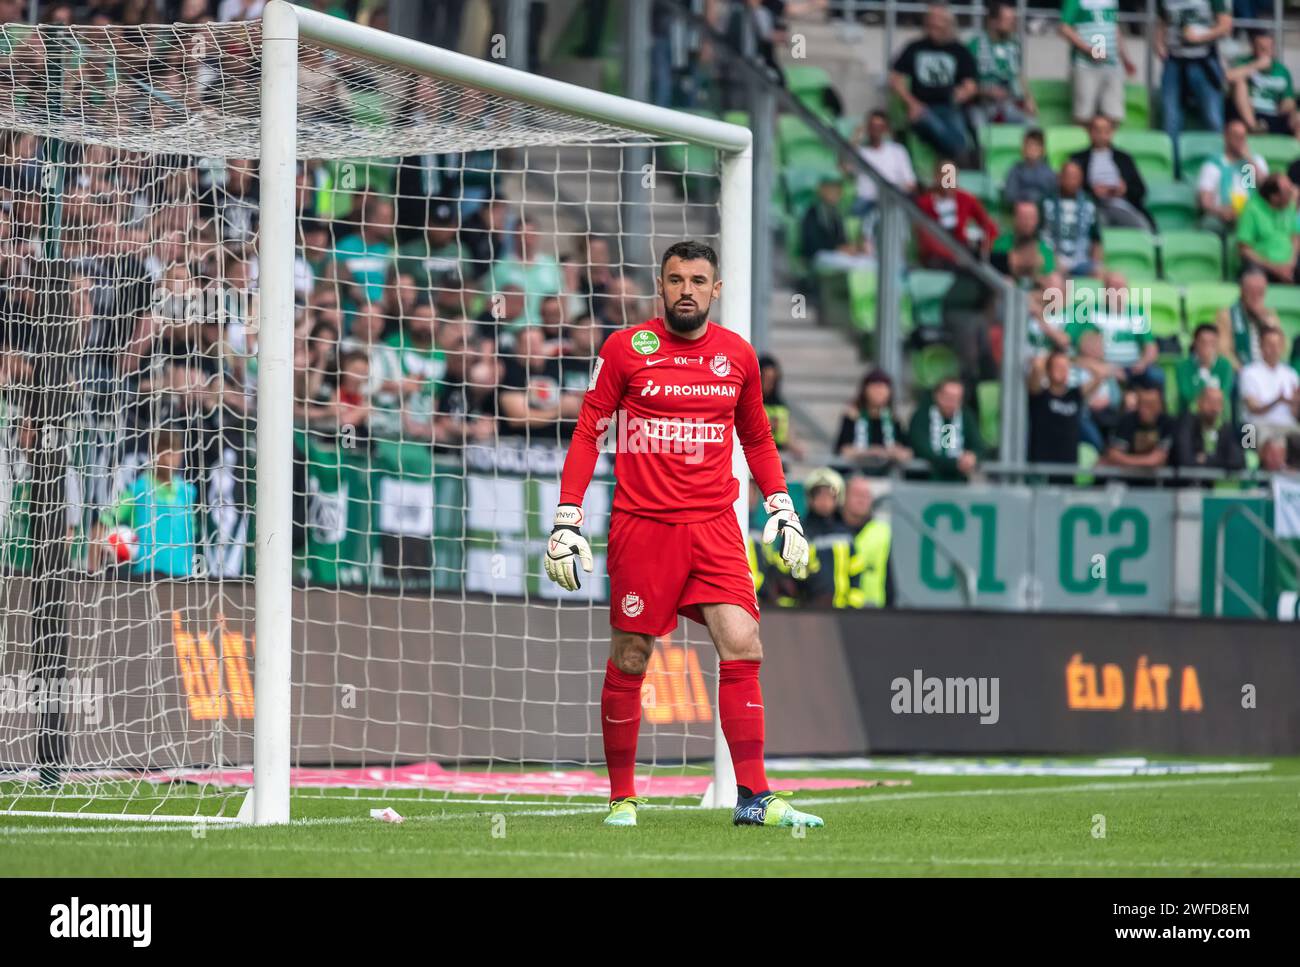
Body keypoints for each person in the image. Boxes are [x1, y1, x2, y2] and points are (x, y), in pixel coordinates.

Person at [542, 240, 820, 830]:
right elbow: (588, 431)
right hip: (643, 528)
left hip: (716, 526)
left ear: (715, 290)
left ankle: (753, 797)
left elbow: (759, 439)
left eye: (698, 280)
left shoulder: (738, 356)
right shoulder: (625, 349)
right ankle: (622, 798)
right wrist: (568, 516)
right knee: (632, 656)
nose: (686, 289)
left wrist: (782, 508)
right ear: (660, 286)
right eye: (676, 279)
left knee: (743, 643)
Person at [94, 429, 198, 578]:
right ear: (153, 455)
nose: (169, 459)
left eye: (174, 452)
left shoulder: (188, 492)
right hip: (147, 577)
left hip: (183, 576)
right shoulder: (138, 489)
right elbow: (104, 521)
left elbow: (194, 538)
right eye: (164, 452)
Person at [889, 3, 978, 168]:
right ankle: (956, 161)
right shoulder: (914, 48)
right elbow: (895, 78)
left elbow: (971, 85)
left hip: (948, 107)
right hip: (921, 108)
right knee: (938, 128)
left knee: (948, 135)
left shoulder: (959, 51)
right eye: (930, 20)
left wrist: (963, 93)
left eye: (938, 21)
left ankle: (945, 181)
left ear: (949, 24)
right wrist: (911, 103)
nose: (933, 25)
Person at [1156, 0, 1233, 175]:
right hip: (1174, 61)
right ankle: (1173, 171)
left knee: (1213, 119)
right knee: (1171, 120)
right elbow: (1162, 21)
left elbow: (1225, 25)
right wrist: (1159, 44)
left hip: (1203, 61)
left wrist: (1201, 36)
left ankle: (1222, 170)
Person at [1069, 114, 1152, 229]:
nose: (1101, 134)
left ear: (1112, 132)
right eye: (1097, 130)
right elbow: (1068, 188)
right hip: (1093, 207)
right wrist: (1093, 192)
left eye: (1106, 130)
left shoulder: (1124, 158)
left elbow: (1141, 190)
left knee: (1143, 229)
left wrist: (1125, 189)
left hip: (1122, 204)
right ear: (1089, 132)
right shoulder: (1078, 158)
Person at [1060, 0, 1134, 125]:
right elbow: (1064, 28)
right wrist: (1089, 50)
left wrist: (1125, 58)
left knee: (1114, 115)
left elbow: (1114, 27)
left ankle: (1107, 144)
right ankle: (1084, 144)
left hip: (1112, 64)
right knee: (1083, 115)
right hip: (1085, 65)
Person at [1026, 350, 1097, 478]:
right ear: (1049, 369)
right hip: (1042, 469)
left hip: (1068, 468)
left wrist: (1076, 360)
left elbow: (1101, 374)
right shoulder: (1040, 394)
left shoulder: (1075, 395)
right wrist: (1050, 357)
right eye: (1058, 367)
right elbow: (1037, 367)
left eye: (1066, 367)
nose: (1063, 370)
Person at [966, 1, 1036, 126]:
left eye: (1013, 19)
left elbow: (1019, 74)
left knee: (1031, 126)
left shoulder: (1014, 44)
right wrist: (988, 92)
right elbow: (964, 83)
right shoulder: (974, 45)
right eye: (1008, 20)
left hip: (1007, 104)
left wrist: (1028, 99)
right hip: (980, 105)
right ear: (993, 21)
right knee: (979, 133)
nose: (1013, 23)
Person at [1196, 119, 1267, 235]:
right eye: (1236, 136)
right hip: (1223, 215)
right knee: (1209, 224)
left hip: (1252, 215)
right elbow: (1205, 202)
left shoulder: (1254, 161)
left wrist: (1249, 159)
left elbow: (1268, 189)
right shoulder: (1213, 164)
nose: (1240, 141)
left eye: (1243, 137)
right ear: (1226, 137)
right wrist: (1220, 211)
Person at [835, 368, 912, 473]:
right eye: (875, 387)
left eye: (883, 388)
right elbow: (843, 451)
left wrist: (891, 453)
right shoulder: (852, 416)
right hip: (857, 476)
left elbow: (906, 452)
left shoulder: (893, 419)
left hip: (888, 476)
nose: (879, 392)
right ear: (865, 390)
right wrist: (870, 452)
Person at [908, 377, 984, 481]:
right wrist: (955, 463)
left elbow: (978, 445)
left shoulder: (966, 417)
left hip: (959, 483)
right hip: (926, 481)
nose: (952, 402)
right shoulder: (922, 416)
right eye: (948, 397)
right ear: (937, 396)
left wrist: (973, 456)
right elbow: (922, 449)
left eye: (957, 398)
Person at [1227, 29, 1298, 136]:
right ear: (1253, 47)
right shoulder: (1244, 62)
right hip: (1251, 112)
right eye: (1261, 47)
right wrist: (1255, 66)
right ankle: (1254, 127)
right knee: (1239, 83)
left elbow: (1289, 100)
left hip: (1274, 113)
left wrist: (1285, 107)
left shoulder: (1282, 70)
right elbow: (1228, 77)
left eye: (1269, 47)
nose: (1266, 51)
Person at [1100, 382, 1175, 484]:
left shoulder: (1168, 423)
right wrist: (1145, 461)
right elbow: (1113, 455)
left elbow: (1157, 460)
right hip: (1127, 482)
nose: (1143, 409)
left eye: (1149, 405)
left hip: (1158, 483)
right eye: (1141, 404)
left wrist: (1125, 462)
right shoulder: (1127, 420)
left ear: (1160, 406)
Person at [849, 110, 916, 222]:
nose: (876, 130)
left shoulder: (898, 151)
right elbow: (845, 167)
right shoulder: (860, 152)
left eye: (880, 127)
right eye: (872, 126)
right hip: (868, 201)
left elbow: (910, 183)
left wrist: (895, 192)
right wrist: (855, 138)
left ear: (886, 129)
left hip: (893, 200)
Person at [1040, 161, 1103, 276]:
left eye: (1075, 177)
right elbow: (1039, 238)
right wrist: (1051, 260)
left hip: (1082, 260)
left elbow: (1096, 239)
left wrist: (1096, 263)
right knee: (1052, 277)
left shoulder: (1089, 203)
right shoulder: (1046, 202)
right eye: (1068, 176)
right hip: (1054, 259)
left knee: (1105, 276)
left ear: (1081, 179)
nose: (1071, 181)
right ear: (1060, 177)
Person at [840, 475, 894, 609]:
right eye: (857, 495)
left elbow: (889, 576)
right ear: (844, 498)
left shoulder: (882, 531)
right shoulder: (832, 530)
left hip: (871, 609)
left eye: (866, 496)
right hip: (837, 608)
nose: (862, 500)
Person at [1239, 325, 1300, 438]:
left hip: (1287, 426)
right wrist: (1277, 400)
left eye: (1277, 345)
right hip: (1257, 426)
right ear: (1261, 347)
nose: (1274, 349)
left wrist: (1296, 402)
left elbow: (1294, 414)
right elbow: (1253, 408)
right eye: (1269, 345)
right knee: (1263, 439)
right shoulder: (1249, 372)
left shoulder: (1291, 374)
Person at [1237, 174, 1299, 284]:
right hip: (1264, 265)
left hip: (1290, 264)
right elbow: (1244, 249)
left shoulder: (1289, 205)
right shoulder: (1252, 210)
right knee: (1253, 276)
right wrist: (1275, 268)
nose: (1293, 195)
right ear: (1274, 197)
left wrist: (1291, 262)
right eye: (1288, 193)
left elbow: (1295, 236)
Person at [1173, 384, 1246, 475]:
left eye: (1218, 403)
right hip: (1187, 484)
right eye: (1210, 401)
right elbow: (1184, 459)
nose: (1214, 407)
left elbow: (1237, 461)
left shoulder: (1225, 428)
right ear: (1199, 402)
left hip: (1214, 486)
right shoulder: (1186, 424)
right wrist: (1221, 460)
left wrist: (1206, 459)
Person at [1217, 267, 1282, 368]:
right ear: (1242, 291)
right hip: (1241, 372)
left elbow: (1281, 347)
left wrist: (1266, 322)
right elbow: (1223, 351)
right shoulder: (1227, 314)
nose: (1256, 296)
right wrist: (1244, 371)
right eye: (1251, 291)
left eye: (1260, 291)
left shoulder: (1270, 313)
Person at [1176, 324, 1236, 416]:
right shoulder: (1183, 366)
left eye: (1212, 343)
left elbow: (1223, 394)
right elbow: (1186, 395)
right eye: (1203, 342)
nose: (1207, 347)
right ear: (1195, 342)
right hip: (1190, 416)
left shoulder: (1225, 365)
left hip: (1218, 415)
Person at [1003, 129, 1057, 207]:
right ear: (1023, 148)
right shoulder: (1015, 170)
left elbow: (1053, 196)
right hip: (1021, 211)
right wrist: (1029, 198)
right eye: (1028, 145)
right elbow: (1010, 196)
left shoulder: (1049, 173)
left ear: (1043, 150)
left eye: (1036, 146)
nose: (1032, 149)